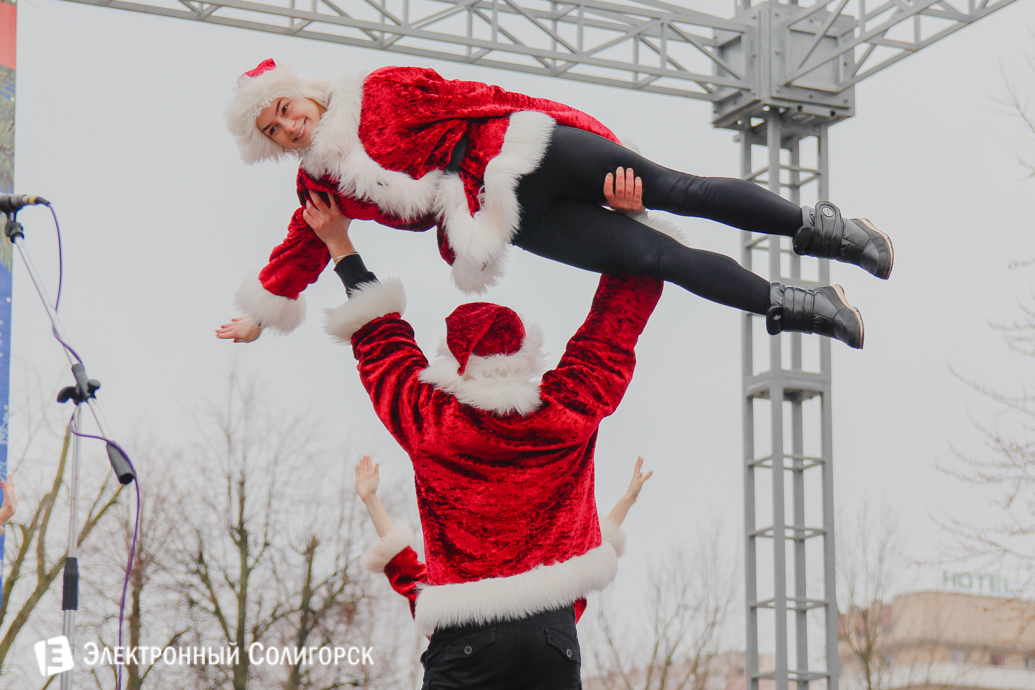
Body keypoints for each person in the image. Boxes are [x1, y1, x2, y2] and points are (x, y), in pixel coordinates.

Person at [217, 60, 891, 349]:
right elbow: (302, 245)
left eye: (285, 111)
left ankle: (825, 230)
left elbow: (486, 97)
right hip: (507, 218)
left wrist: (594, 142)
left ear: (300, 92)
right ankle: (807, 306)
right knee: (658, 259)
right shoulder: (319, 188)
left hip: (525, 148)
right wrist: (260, 316)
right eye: (274, 132)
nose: (290, 128)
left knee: (675, 190)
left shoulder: (382, 89)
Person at [312, 210, 661, 688]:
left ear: (455, 364)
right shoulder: (568, 409)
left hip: (464, 633)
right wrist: (634, 224)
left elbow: (381, 341)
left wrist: (340, 245)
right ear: (525, 355)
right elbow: (614, 328)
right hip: (550, 633)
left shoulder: (432, 419)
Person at [354, 454, 652, 624]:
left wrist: (371, 501)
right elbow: (588, 552)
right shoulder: (545, 596)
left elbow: (406, 569)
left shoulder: (454, 601)